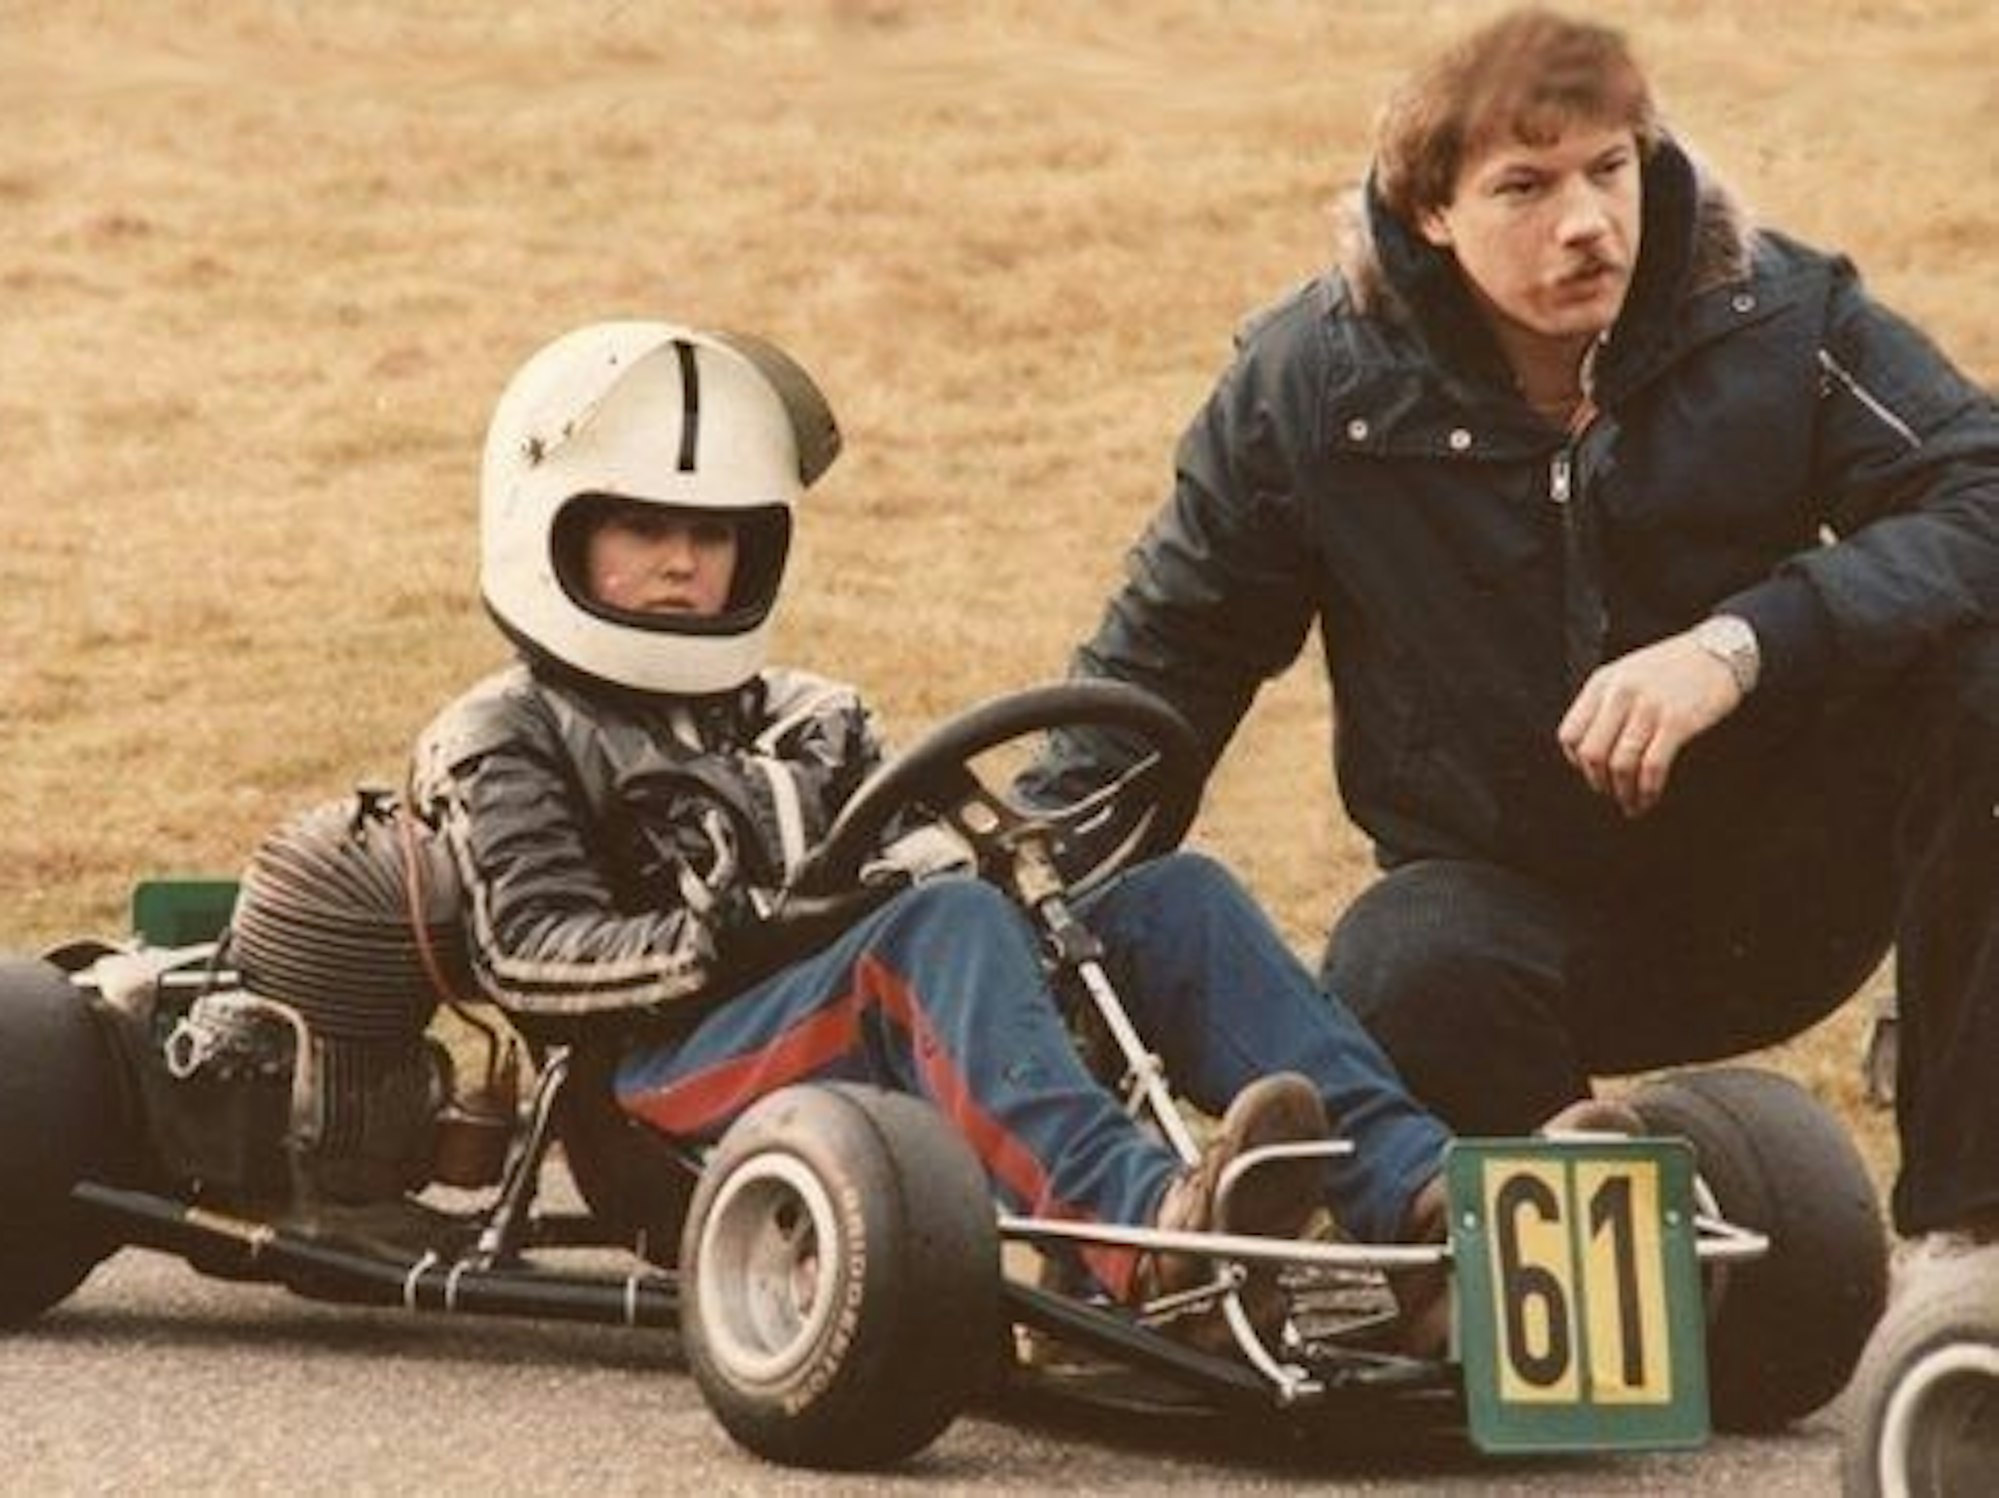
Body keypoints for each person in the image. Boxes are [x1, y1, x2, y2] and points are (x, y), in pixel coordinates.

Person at [1028, 7, 1996, 1265]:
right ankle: (1585, 1223)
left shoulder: (1778, 314)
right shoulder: (1307, 387)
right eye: (1525, 188)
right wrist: (1005, 912)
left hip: (1785, 882)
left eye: (1609, 168)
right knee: (1397, 964)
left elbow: (1979, 490)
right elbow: (1159, 671)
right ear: (1428, 209)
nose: (1588, 221)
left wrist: (1738, 644)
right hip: (1511, 927)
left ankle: (1970, 1243)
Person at [407, 319, 1460, 1349]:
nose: (683, 563)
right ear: (553, 528)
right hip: (658, 1083)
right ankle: (1150, 1237)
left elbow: (927, 859)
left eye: (712, 534)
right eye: (643, 529)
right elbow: (531, 951)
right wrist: (731, 933)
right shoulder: (505, 732)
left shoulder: (811, 714)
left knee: (1170, 899)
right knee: (938, 932)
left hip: (851, 1026)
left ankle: (1433, 1214)